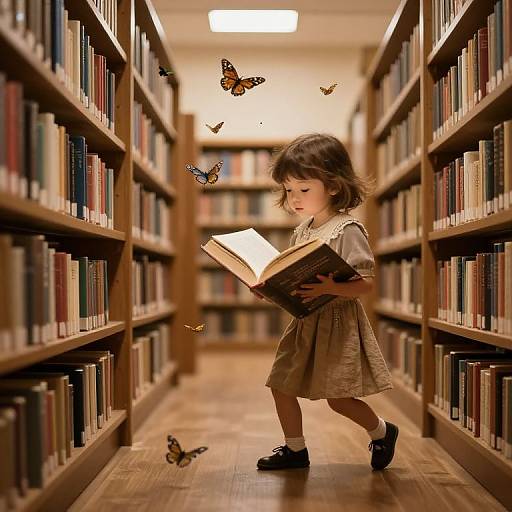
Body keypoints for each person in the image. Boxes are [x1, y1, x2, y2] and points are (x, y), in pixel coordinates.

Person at [254, 133, 398, 471]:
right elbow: (297, 280)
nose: (294, 199)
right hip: (305, 322)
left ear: (333, 186)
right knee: (281, 384)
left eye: (304, 190)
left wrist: (332, 286)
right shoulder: (303, 230)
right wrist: (270, 288)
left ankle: (381, 432)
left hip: (337, 323)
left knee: (338, 398)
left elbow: (366, 285)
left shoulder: (347, 229)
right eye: (289, 190)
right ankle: (295, 450)